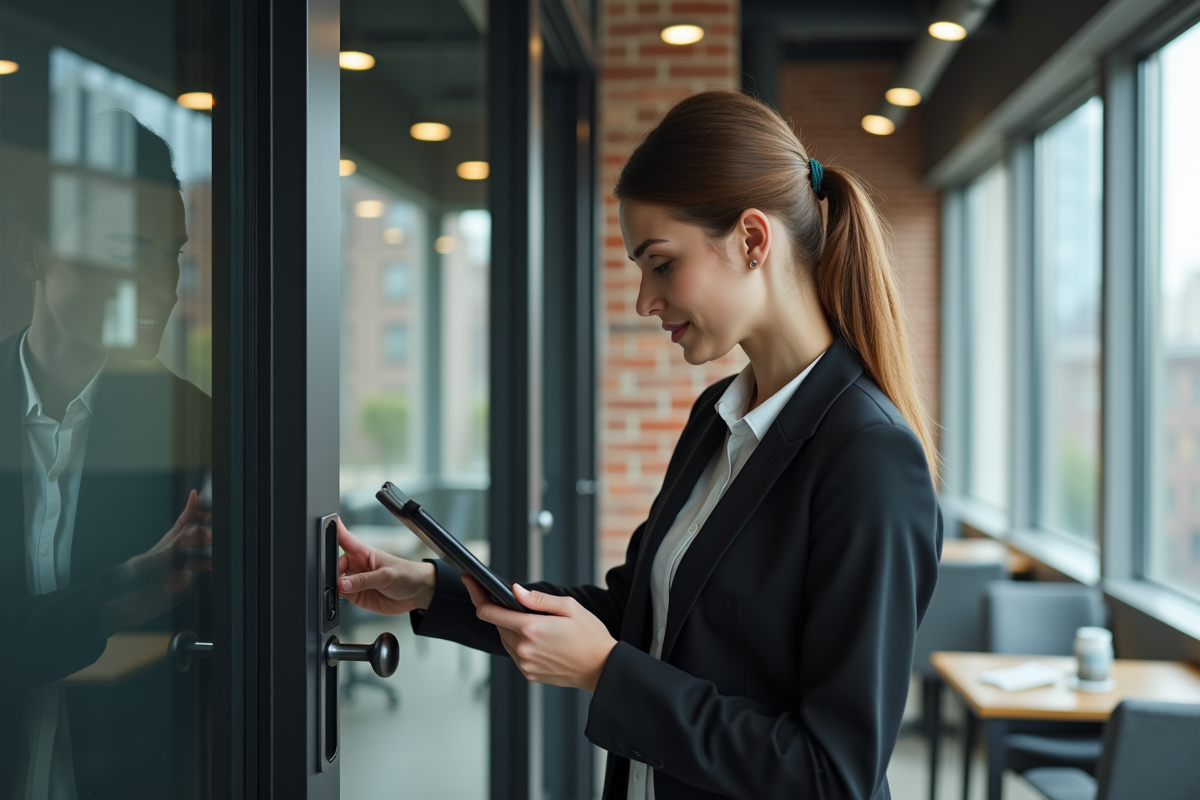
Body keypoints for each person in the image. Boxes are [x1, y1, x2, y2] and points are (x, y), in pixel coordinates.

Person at [336, 90, 942, 800]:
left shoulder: (868, 456)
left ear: (753, 239)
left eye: (660, 262)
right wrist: (430, 586)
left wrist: (605, 673)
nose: (643, 301)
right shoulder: (718, 417)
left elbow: (829, 775)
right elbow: (637, 615)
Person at [0, 109, 212, 800]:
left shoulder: (200, 430)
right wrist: (110, 603)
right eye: (128, 251)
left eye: (171, 255)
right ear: (32, 252)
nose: (163, 287)